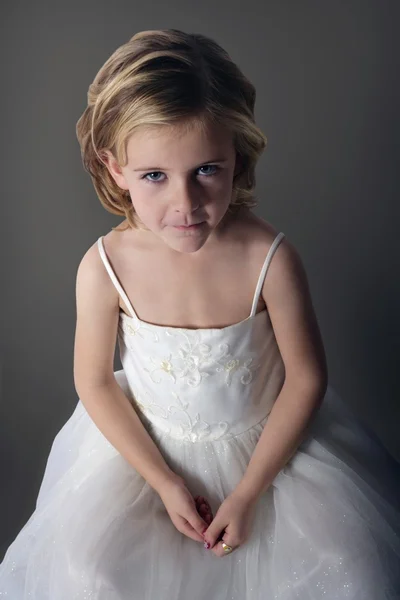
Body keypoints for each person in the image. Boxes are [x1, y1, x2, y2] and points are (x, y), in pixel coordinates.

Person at [1, 28, 399, 599]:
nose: (185, 204)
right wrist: (163, 482)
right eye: (155, 177)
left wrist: (246, 494)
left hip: (268, 463)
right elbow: (93, 380)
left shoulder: (269, 258)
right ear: (115, 169)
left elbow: (306, 377)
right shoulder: (104, 267)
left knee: (349, 566)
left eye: (206, 170)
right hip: (148, 463)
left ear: (237, 155)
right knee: (91, 574)